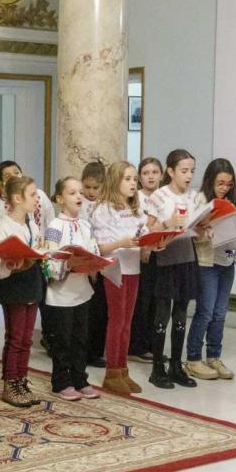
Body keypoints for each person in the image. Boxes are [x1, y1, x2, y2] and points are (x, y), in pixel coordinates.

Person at [144, 150, 203, 390]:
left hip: (186, 258)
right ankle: (157, 367)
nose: (188, 176)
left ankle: (176, 366)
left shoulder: (195, 197)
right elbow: (148, 231)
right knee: (162, 315)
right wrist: (168, 223)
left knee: (181, 315)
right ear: (170, 171)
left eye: (192, 171)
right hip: (165, 261)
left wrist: (204, 228)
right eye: (184, 171)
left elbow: (198, 228)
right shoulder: (159, 196)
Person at [42, 177, 103, 401]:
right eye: (72, 193)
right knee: (63, 342)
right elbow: (48, 262)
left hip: (82, 291)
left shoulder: (86, 225)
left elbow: (94, 250)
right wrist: (68, 264)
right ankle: (61, 382)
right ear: (60, 199)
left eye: (80, 192)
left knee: (80, 339)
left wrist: (95, 264)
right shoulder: (54, 227)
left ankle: (80, 379)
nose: (79, 196)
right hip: (61, 294)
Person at [0, 174, 46, 408]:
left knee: (27, 338)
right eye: (32, 195)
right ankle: (10, 382)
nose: (37, 199)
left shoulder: (31, 223)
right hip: (14, 284)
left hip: (32, 280)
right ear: (17, 198)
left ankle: (22, 379)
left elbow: (37, 245)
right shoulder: (5, 225)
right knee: (15, 336)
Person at [91, 161, 147, 395]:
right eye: (127, 179)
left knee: (127, 321)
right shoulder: (103, 209)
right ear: (115, 181)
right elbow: (99, 247)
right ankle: (112, 372)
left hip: (133, 267)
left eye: (135, 179)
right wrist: (122, 242)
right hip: (115, 268)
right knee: (116, 320)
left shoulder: (136, 207)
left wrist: (154, 243)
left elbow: (143, 235)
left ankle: (123, 369)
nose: (133, 183)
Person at [185, 159, 236, 381]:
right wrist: (204, 230)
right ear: (210, 181)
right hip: (206, 262)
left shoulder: (232, 202)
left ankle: (214, 356)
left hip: (227, 261)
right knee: (206, 311)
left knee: (220, 312)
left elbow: (234, 233)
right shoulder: (200, 200)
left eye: (229, 184)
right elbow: (190, 232)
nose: (224, 188)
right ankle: (193, 358)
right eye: (220, 183)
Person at [128, 157, 164, 363]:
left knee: (157, 301)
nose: (150, 177)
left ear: (161, 175)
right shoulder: (136, 198)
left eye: (154, 172)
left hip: (161, 253)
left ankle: (152, 344)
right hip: (140, 254)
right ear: (140, 178)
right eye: (146, 173)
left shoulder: (165, 196)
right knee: (142, 300)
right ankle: (137, 345)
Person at [80, 161, 107, 367]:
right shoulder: (79, 203)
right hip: (85, 261)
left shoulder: (106, 204)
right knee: (86, 310)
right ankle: (84, 351)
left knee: (100, 309)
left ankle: (96, 351)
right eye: (87, 187)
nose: (90, 192)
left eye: (95, 188)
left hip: (104, 260)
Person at [0, 160, 56, 231]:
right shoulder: (2, 203)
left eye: (17, 173)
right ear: (2, 182)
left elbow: (51, 221)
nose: (14, 177)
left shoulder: (40, 195)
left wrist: (49, 238)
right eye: (7, 176)